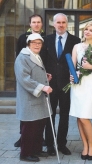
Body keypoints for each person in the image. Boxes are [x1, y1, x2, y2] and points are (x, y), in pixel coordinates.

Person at [41, 13, 80, 156]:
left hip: (66, 85)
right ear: (53, 24)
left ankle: (62, 143)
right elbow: (42, 62)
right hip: (50, 85)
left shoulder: (76, 41)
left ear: (67, 24)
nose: (61, 25)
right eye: (58, 22)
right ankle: (50, 145)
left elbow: (77, 63)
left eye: (63, 22)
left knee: (64, 115)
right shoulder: (46, 40)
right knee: (49, 116)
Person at [14, 33, 53, 162]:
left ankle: (36, 149)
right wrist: (43, 87)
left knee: (39, 125)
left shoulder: (35, 55)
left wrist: (44, 76)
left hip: (38, 98)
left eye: (39, 43)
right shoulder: (22, 57)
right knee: (30, 127)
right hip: (29, 98)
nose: (37, 45)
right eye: (34, 43)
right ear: (28, 44)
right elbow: (24, 78)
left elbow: (33, 73)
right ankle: (25, 153)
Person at [69, 21, 92, 160]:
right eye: (86, 29)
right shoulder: (76, 46)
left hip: (91, 82)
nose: (87, 32)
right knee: (78, 115)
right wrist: (71, 76)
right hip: (78, 83)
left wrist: (90, 66)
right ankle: (85, 145)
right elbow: (72, 64)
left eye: (91, 30)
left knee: (85, 116)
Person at [14, 14, 45, 148]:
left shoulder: (45, 39)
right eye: (34, 22)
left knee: (39, 115)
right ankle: (24, 138)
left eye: (38, 22)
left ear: (42, 24)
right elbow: (21, 61)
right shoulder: (23, 38)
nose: (36, 24)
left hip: (40, 77)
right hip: (28, 79)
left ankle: (37, 141)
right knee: (27, 113)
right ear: (30, 24)